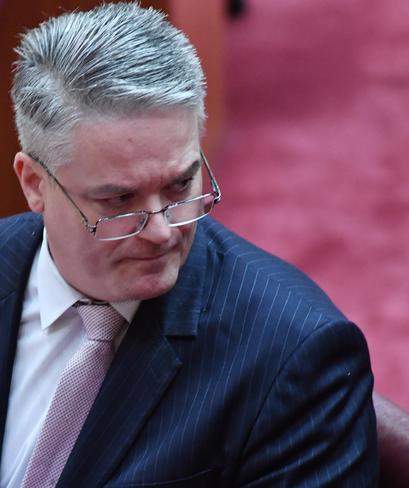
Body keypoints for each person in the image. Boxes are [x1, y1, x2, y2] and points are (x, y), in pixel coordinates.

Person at [0, 3, 378, 487]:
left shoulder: (295, 356)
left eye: (181, 186)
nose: (162, 231)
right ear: (34, 183)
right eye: (119, 199)